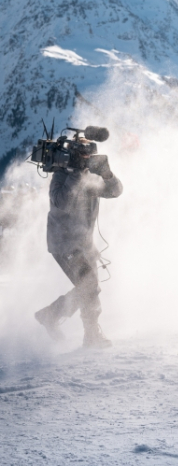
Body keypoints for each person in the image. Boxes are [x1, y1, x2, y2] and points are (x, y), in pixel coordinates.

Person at [34, 141, 123, 348]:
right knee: (89, 285)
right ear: (74, 156)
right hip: (64, 244)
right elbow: (62, 202)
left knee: (91, 288)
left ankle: (54, 316)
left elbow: (115, 191)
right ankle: (90, 335)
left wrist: (108, 174)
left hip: (85, 243)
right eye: (83, 156)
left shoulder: (91, 176)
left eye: (90, 156)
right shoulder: (61, 176)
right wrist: (75, 174)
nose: (88, 161)